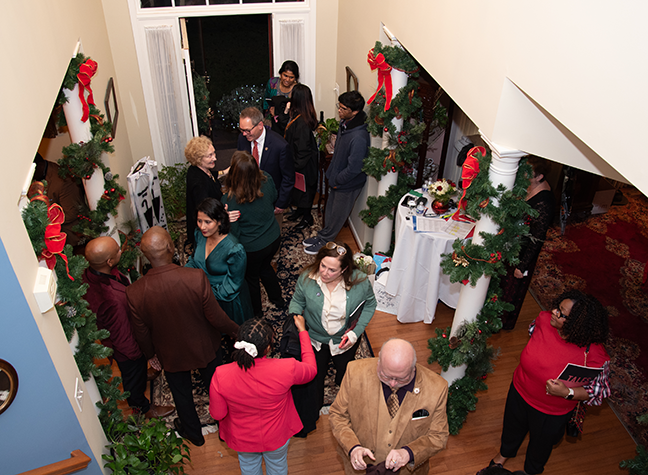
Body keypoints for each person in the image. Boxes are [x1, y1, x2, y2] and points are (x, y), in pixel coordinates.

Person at [126, 226, 239, 447]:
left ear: (145, 255)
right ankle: (227, 427)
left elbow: (141, 331)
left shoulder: (135, 292)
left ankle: (193, 433)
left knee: (181, 394)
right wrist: (237, 331)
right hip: (205, 346)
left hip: (170, 353)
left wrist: (151, 355)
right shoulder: (195, 277)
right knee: (216, 387)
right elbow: (216, 317)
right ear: (171, 247)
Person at [479, 289, 610, 475]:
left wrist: (567, 393)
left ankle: (532, 470)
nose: (554, 313)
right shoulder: (544, 320)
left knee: (541, 445)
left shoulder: (596, 355)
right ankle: (504, 454)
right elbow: (533, 332)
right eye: (557, 307)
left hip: (551, 412)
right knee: (512, 427)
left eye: (562, 314)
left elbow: (599, 392)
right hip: (519, 391)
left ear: (577, 324)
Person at [288, 241, 377, 437]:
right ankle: (312, 413)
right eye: (322, 266)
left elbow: (370, 304)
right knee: (314, 378)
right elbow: (297, 300)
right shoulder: (306, 278)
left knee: (345, 372)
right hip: (315, 340)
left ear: (344, 269)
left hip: (344, 342)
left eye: (332, 270)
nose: (325, 273)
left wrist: (355, 333)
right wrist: (295, 316)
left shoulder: (360, 282)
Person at [209, 316, 316, 475]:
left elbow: (218, 414)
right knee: (278, 466)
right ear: (267, 348)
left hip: (243, 439)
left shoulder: (220, 374)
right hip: (277, 436)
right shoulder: (286, 368)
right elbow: (311, 369)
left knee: (249, 469)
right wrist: (302, 331)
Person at [83, 236, 174, 419]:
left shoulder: (94, 272)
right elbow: (122, 335)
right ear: (109, 261)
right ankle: (143, 408)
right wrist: (140, 356)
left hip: (125, 337)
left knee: (136, 373)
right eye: (117, 250)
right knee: (132, 377)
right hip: (128, 350)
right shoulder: (112, 300)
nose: (121, 251)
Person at [329, 338, 449, 475]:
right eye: (386, 376)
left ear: (413, 368)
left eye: (401, 378)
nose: (392, 384)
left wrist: (409, 453)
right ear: (378, 362)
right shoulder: (355, 372)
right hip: (361, 469)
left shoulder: (437, 388)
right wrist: (353, 447)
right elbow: (337, 415)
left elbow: (438, 436)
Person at [303, 91, 370, 255]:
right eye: (339, 106)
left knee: (338, 215)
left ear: (354, 112)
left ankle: (326, 242)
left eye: (343, 108)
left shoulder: (360, 137)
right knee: (330, 211)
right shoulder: (345, 123)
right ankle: (322, 236)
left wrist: (338, 180)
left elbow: (354, 169)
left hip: (347, 183)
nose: (339, 110)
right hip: (336, 178)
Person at [222, 151, 285, 316]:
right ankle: (278, 299)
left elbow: (234, 235)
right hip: (273, 238)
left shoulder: (230, 201)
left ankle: (256, 314)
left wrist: (230, 221)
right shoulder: (268, 179)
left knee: (251, 279)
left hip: (253, 249)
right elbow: (274, 197)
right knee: (266, 268)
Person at [499, 156, 555, 330]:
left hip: (522, 255)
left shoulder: (544, 203)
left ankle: (503, 323)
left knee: (511, 291)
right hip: (510, 246)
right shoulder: (527, 187)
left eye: (528, 172)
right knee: (500, 284)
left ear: (539, 177)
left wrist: (522, 266)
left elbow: (537, 239)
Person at [186, 197, 254, 324]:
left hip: (228, 300)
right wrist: (182, 274)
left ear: (219, 221)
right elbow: (194, 260)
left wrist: (205, 294)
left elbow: (232, 285)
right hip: (206, 294)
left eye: (207, 222)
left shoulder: (234, 249)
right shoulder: (199, 234)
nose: (202, 226)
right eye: (199, 221)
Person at [237, 107, 294, 224]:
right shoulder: (242, 139)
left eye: (247, 130)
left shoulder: (280, 146)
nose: (244, 134)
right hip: (248, 198)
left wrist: (281, 203)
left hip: (271, 200)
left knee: (272, 232)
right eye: (241, 130)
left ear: (260, 125)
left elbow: (288, 178)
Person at [185, 136, 236, 248]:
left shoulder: (198, 169)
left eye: (214, 153)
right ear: (198, 158)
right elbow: (206, 211)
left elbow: (212, 176)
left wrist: (227, 171)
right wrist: (224, 215)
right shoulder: (198, 183)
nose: (215, 158)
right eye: (210, 156)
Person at [284, 83, 319, 230]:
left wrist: (294, 167)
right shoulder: (299, 116)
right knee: (299, 192)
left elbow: (303, 150)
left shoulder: (302, 123)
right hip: (300, 162)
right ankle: (299, 211)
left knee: (304, 192)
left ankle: (307, 218)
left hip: (303, 165)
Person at [33, 153, 85, 246]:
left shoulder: (63, 181)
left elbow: (72, 213)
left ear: (39, 165)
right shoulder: (40, 174)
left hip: (72, 238)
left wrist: (42, 221)